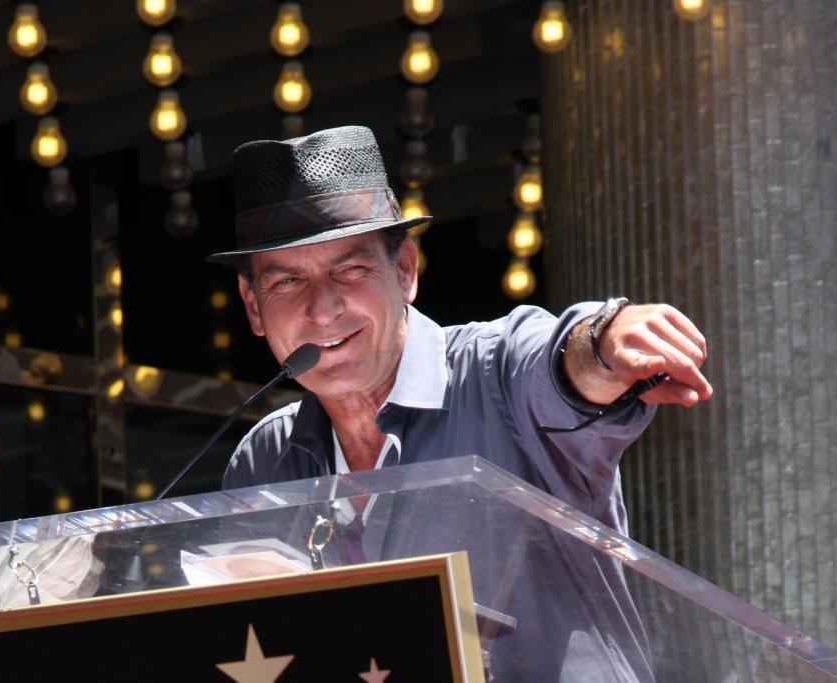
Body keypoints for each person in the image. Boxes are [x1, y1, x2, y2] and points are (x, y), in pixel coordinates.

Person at [210, 126, 712, 681]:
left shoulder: (498, 374)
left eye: (350, 270)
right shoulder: (263, 461)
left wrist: (605, 340)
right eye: (286, 282)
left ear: (405, 271)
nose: (323, 309)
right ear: (253, 307)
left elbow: (563, 365)